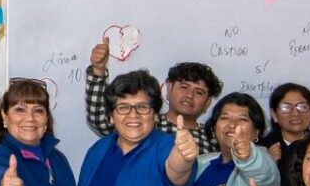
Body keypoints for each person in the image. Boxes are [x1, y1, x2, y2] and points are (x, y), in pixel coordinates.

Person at [85, 40, 221, 155]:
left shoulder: (213, 137)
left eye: (199, 92)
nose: (189, 95)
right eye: (183, 87)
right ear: (168, 89)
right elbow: (100, 121)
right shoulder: (145, 121)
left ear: (208, 102)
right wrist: (98, 70)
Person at [259, 82, 310, 186]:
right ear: (274, 114)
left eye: (302, 106)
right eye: (286, 107)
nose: (295, 113)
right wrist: (269, 165)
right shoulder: (262, 148)